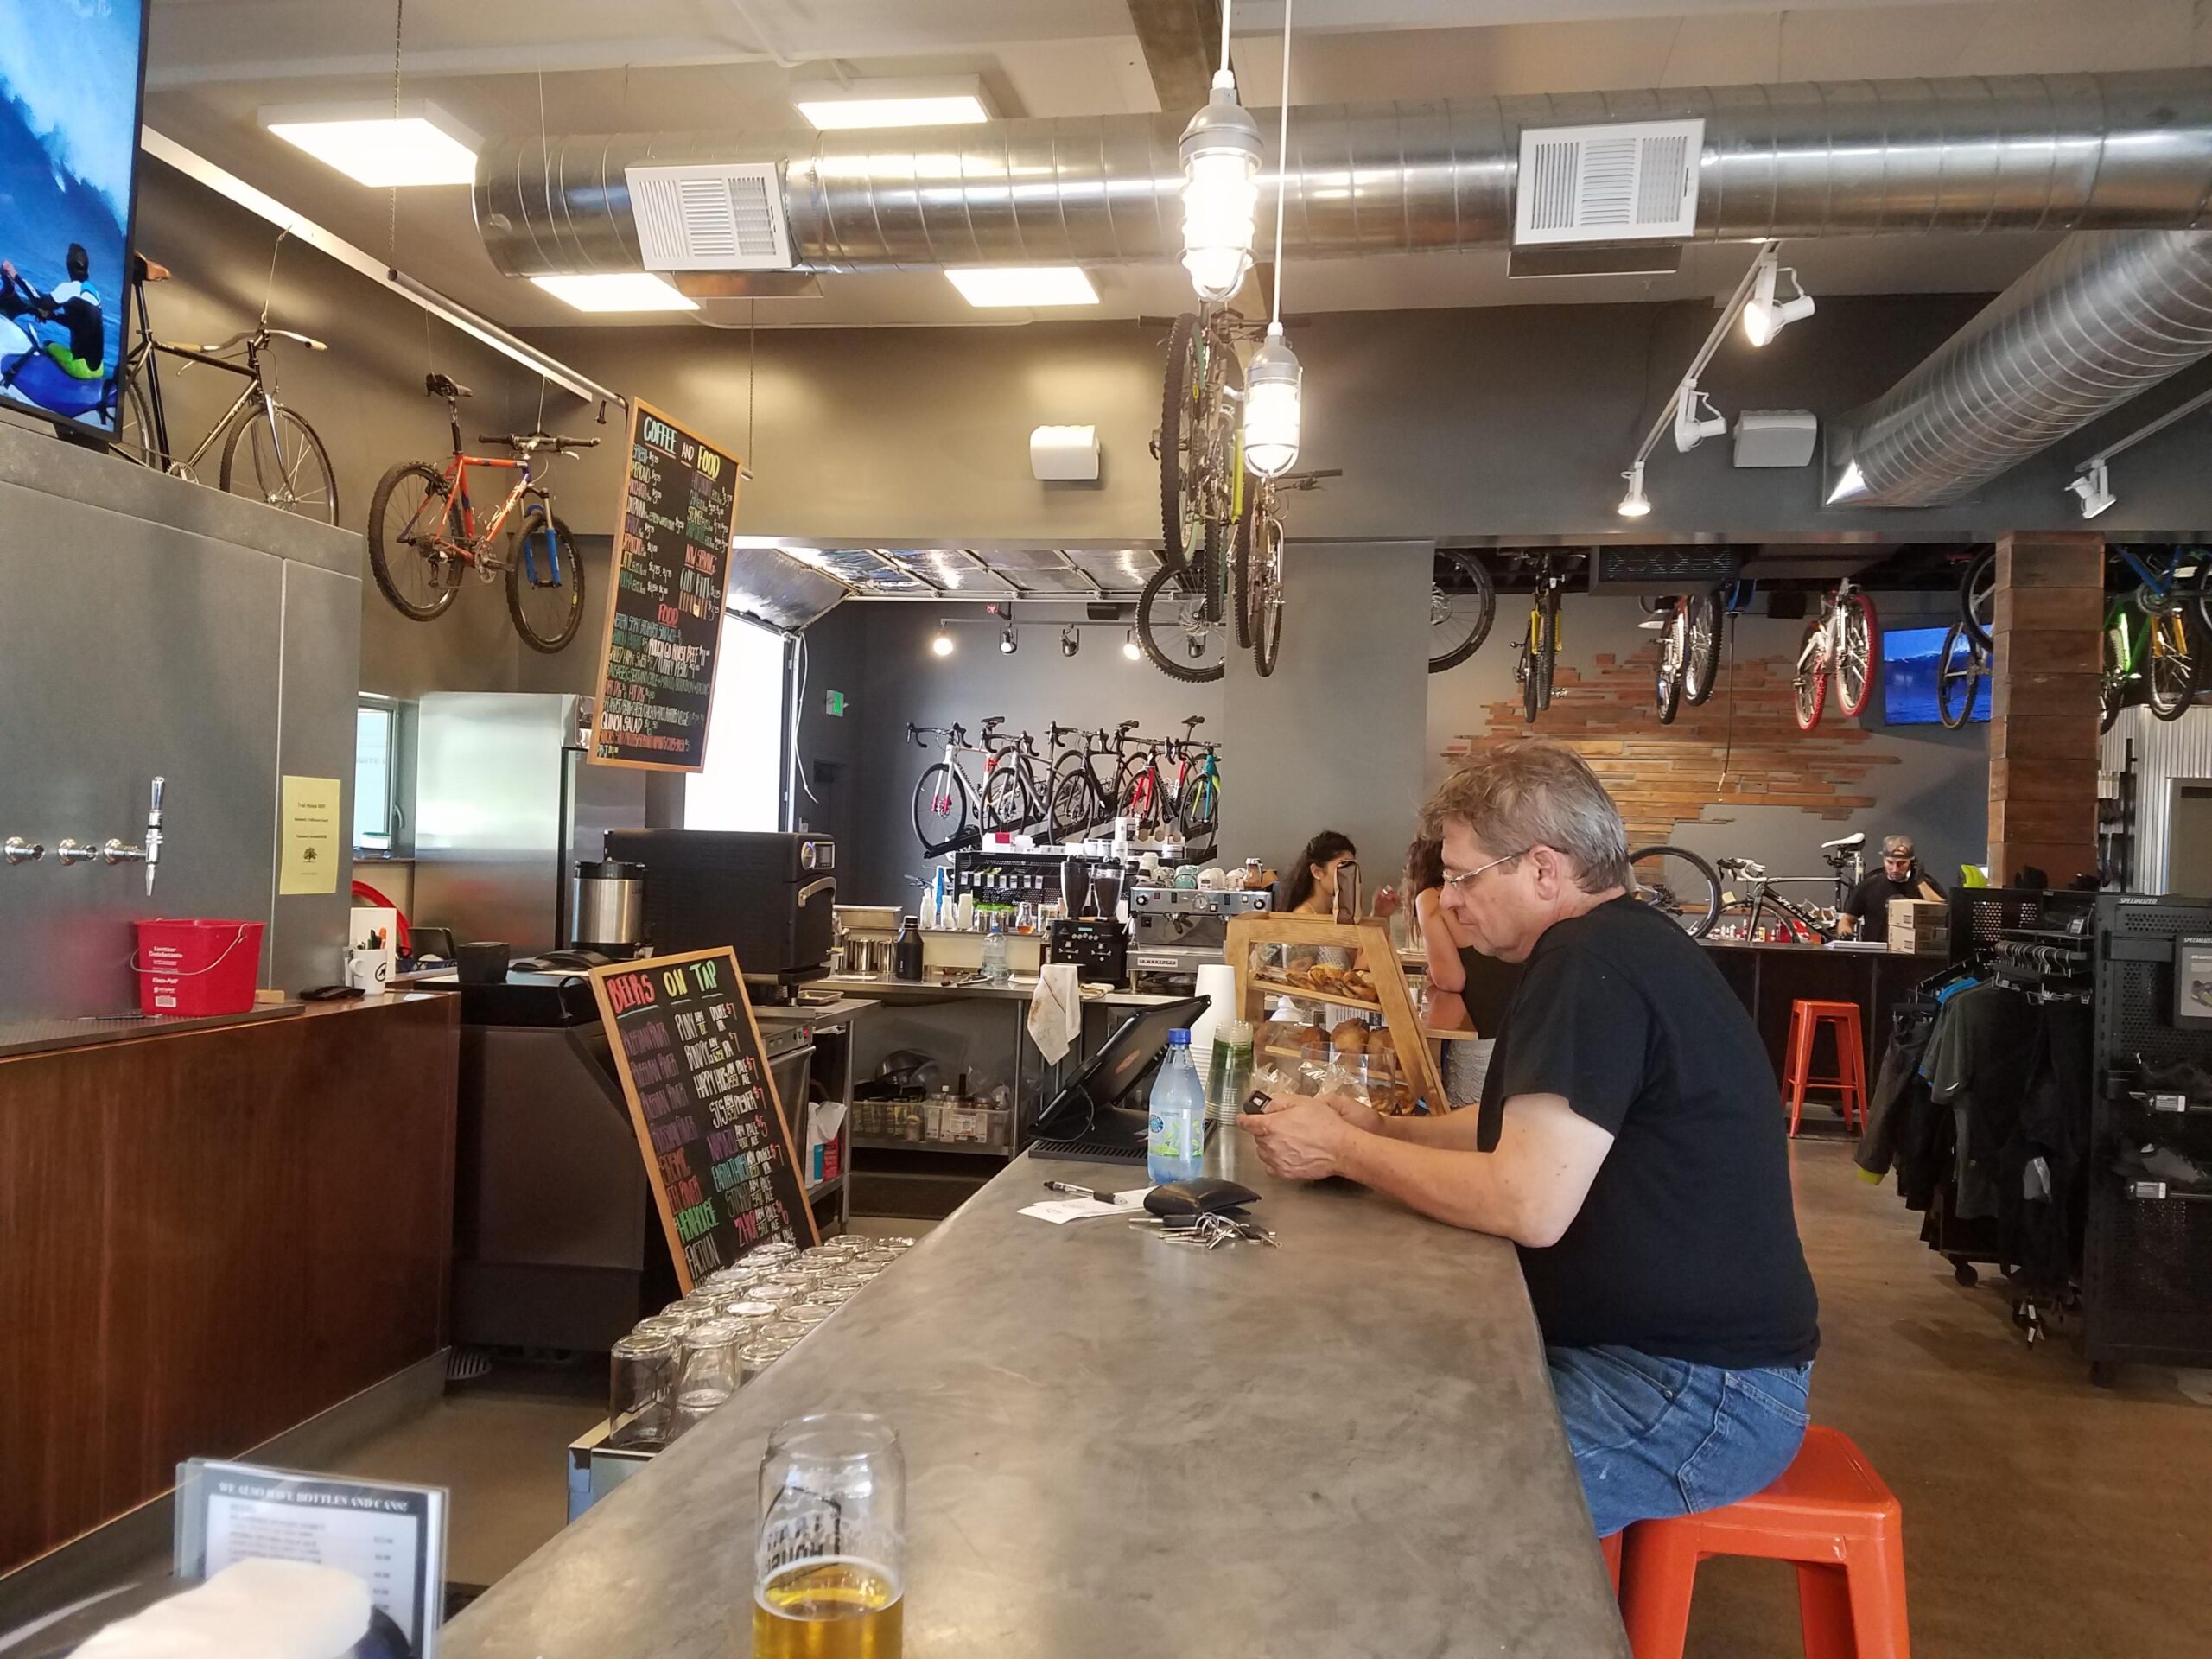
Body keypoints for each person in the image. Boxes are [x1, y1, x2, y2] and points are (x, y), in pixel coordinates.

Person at [1241, 744, 1818, 1539]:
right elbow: (1517, 1128)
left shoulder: (1588, 961)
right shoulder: (1619, 945)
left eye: (1464, 876)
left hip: (1692, 1392)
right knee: (1370, 1387)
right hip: (1676, 1367)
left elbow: (1527, 1202)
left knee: (1369, 1483)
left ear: (1544, 871)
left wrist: (1347, 1153)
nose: (1449, 900)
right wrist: (1382, 1127)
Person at [1407, 836, 1488, 1107]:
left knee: (1469, 1123)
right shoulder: (1480, 891)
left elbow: (1452, 980)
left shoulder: (1431, 898)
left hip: (1482, 1037)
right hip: (1518, 1030)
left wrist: (1435, 973)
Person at [0, 244, 106, 378]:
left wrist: (14, 275)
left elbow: (40, 301)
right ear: (87, 269)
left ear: (68, 266)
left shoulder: (72, 288)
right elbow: (78, 325)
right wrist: (52, 316)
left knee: (47, 346)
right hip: (98, 368)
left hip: (81, 367)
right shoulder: (93, 293)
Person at [1838, 834, 1944, 944]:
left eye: (1901, 863)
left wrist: (1920, 882)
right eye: (1890, 862)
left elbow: (1942, 913)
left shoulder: (1924, 884)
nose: (1895, 869)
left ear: (1911, 862)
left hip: (1912, 949)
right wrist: (1845, 933)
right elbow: (1847, 920)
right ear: (1884, 860)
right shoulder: (1870, 884)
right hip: (1876, 949)